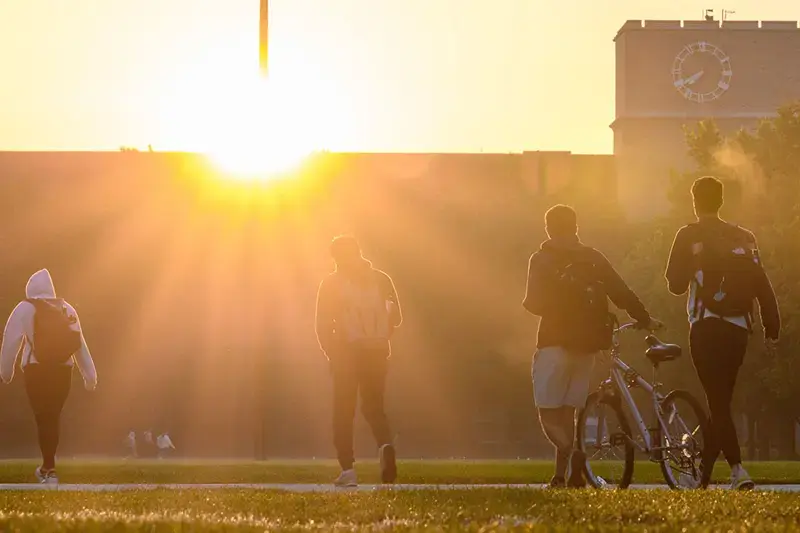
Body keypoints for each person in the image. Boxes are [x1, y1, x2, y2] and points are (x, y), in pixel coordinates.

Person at [523, 205, 660, 488]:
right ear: (576, 226)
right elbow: (620, 290)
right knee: (569, 413)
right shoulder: (593, 258)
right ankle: (564, 477)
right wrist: (644, 317)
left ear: (548, 228)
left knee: (548, 414)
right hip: (588, 346)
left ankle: (575, 458)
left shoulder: (541, 259)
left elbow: (534, 304)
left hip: (553, 344)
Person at [665, 176, 780, 490]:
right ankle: (703, 477)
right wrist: (773, 323)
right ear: (721, 200)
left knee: (717, 401)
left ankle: (737, 470)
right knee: (721, 400)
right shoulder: (744, 236)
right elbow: (761, 281)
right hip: (739, 329)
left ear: (694, 201)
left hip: (705, 326)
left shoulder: (688, 235)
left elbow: (674, 285)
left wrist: (695, 266)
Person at [315, 235, 402, 487]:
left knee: (343, 411)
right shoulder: (382, 279)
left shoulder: (331, 284)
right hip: (376, 352)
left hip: (346, 354)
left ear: (335, 257)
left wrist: (332, 353)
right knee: (374, 407)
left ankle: (348, 470)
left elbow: (322, 325)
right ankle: (385, 446)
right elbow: (395, 318)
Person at [0, 269, 97, 484]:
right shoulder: (66, 308)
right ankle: (47, 467)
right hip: (63, 371)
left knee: (44, 418)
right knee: (52, 417)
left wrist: (5, 373)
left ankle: (49, 469)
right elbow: (79, 344)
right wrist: (90, 376)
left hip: (37, 370)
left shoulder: (24, 308)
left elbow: (11, 341)